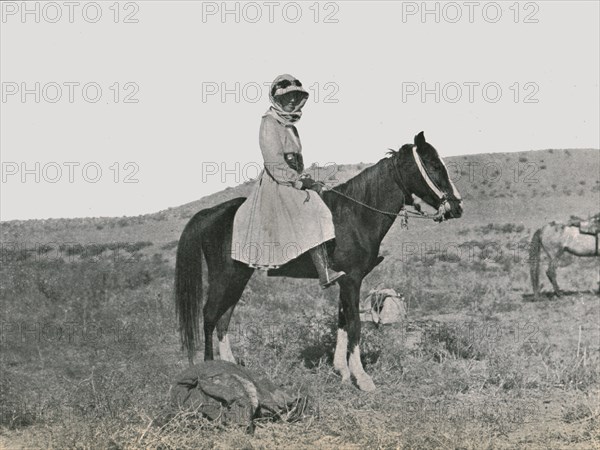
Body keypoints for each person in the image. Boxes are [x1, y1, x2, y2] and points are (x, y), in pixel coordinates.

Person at [231, 74, 345, 288]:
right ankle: (324, 272)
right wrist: (300, 183)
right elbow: (274, 162)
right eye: (287, 97)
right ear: (277, 99)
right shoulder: (269, 123)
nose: (292, 101)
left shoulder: (290, 125)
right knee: (313, 208)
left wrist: (305, 178)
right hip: (277, 182)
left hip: (290, 178)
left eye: (295, 96)